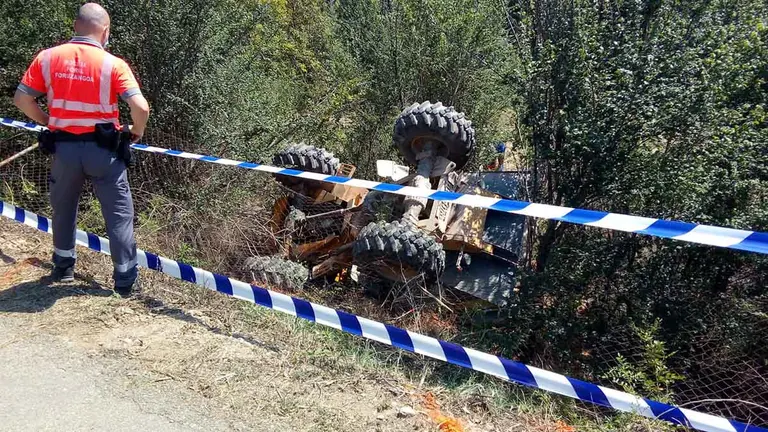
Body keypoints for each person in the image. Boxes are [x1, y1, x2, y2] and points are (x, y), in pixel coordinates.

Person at [13, 3, 150, 297]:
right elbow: (140, 106)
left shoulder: (47, 58)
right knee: (118, 215)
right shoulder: (113, 64)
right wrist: (136, 131)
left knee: (63, 209)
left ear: (76, 26)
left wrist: (49, 121)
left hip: (64, 148)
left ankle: (63, 267)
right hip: (104, 152)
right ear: (105, 30)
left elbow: (22, 99)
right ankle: (125, 282)